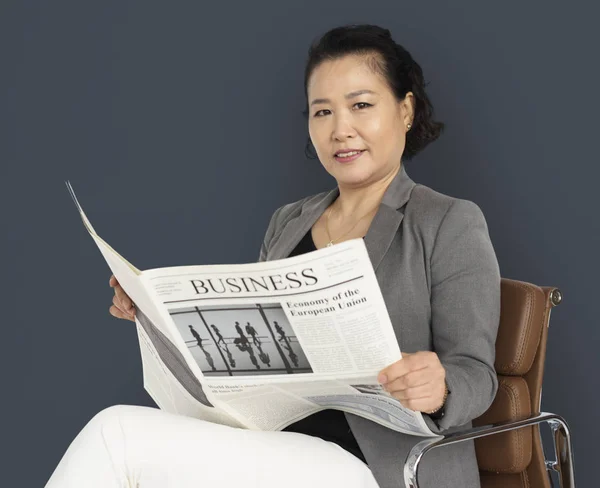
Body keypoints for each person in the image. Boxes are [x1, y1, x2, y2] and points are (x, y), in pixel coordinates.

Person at [46, 24, 500, 488]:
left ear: (405, 110)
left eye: (361, 105)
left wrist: (439, 387)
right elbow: (248, 361)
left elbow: (478, 375)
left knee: (116, 434)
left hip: (379, 467)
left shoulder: (448, 221)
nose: (341, 129)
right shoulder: (289, 223)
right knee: (123, 441)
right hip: (271, 447)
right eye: (322, 111)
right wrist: (154, 316)